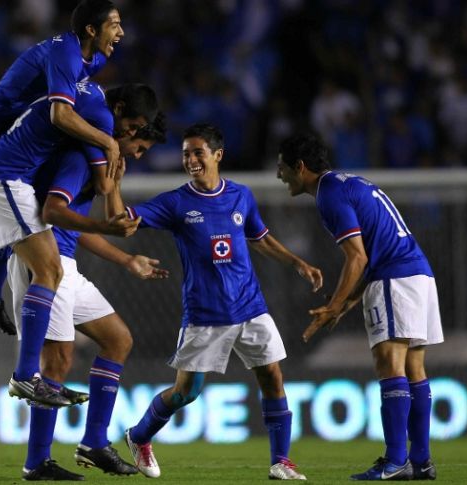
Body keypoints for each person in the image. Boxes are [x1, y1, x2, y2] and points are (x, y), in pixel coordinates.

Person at [106, 123, 323, 481]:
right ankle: (139, 436)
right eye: (186, 154)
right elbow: (122, 223)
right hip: (205, 313)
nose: (191, 160)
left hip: (250, 306)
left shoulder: (241, 195)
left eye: (198, 152)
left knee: (272, 375)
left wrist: (298, 263)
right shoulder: (176, 202)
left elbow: (260, 238)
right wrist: (113, 186)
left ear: (217, 155)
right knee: (186, 392)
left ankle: (281, 461)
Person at [8, 87, 168, 480]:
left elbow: (81, 230)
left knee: (118, 339)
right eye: (139, 145)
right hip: (44, 263)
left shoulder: (101, 164)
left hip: (65, 264)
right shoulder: (80, 158)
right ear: (124, 128)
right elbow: (53, 211)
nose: (138, 154)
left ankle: (94, 442)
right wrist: (108, 221)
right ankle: (37, 462)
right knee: (58, 361)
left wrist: (126, 259)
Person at [0, 0, 125, 337]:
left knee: (21, 208)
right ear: (91, 29)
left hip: (28, 131)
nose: (121, 32)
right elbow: (60, 113)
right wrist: (108, 142)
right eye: (114, 25)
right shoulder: (67, 52)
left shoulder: (96, 58)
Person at [276, 132, 444, 481]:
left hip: (394, 278)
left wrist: (334, 305)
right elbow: (370, 252)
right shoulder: (347, 181)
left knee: (389, 364)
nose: (279, 175)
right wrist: (345, 303)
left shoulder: (328, 194)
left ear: (300, 167)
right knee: (414, 367)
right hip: (419, 274)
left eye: (282, 168)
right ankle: (421, 460)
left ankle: (396, 462)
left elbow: (358, 257)